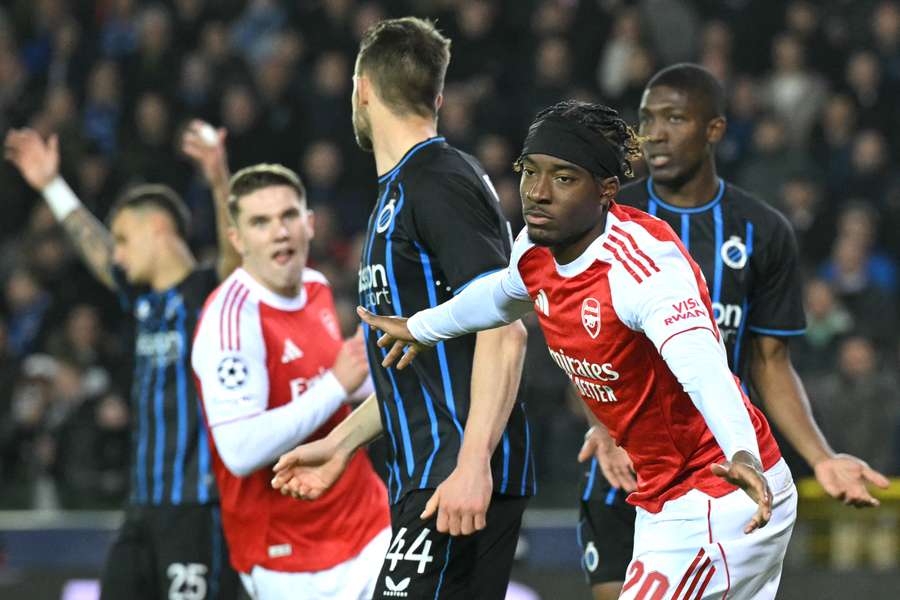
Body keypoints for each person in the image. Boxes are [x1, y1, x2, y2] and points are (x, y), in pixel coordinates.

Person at [354, 99, 798, 599]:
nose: (538, 194)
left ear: (606, 192)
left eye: (563, 178)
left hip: (722, 489)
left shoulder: (642, 270)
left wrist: (743, 452)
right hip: (663, 497)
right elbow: (501, 296)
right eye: (530, 173)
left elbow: (704, 370)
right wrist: (422, 326)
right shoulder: (538, 246)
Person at [576, 64, 890, 600]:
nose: (655, 133)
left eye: (675, 118)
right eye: (648, 118)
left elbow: (770, 362)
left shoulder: (762, 230)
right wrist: (602, 425)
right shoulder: (606, 217)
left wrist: (820, 457)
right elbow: (578, 337)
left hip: (723, 472)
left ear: (715, 129)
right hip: (627, 466)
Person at [273, 17, 533, 599]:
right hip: (432, 471)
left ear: (361, 87)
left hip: (456, 476)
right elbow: (418, 364)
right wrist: (342, 443)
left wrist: (471, 464)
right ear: (437, 97)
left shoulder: (437, 182)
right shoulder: (402, 190)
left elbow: (505, 328)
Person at [4, 126, 242, 599]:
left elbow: (236, 261)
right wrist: (53, 186)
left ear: (158, 230)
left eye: (124, 239)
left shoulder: (208, 297)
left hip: (196, 510)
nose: (116, 252)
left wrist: (219, 183)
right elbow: (94, 251)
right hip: (140, 512)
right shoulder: (144, 302)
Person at [191, 164, 391, 599]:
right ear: (237, 239)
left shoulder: (318, 288)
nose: (279, 231)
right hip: (287, 559)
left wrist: (369, 373)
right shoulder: (231, 319)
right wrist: (337, 385)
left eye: (288, 216)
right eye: (260, 223)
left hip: (369, 525)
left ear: (310, 223)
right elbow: (240, 450)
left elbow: (338, 382)